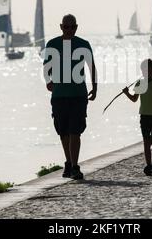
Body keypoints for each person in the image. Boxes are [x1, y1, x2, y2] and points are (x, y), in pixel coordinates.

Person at [43, 14, 97, 180]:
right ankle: (69, 162)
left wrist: (95, 87)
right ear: (61, 27)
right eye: (66, 27)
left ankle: (74, 166)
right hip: (59, 96)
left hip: (78, 95)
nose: (69, 30)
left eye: (72, 27)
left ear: (76, 27)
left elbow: (91, 67)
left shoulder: (83, 44)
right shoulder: (52, 44)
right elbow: (46, 67)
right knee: (63, 133)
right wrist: (48, 81)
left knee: (76, 132)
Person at [123, 59, 152, 176]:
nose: (146, 71)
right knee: (146, 142)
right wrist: (126, 93)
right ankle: (148, 165)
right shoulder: (140, 83)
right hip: (144, 115)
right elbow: (134, 99)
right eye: (144, 69)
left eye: (148, 69)